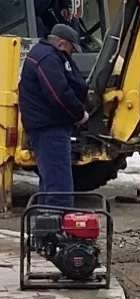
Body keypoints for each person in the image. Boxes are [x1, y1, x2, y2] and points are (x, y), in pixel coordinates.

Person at [19, 24, 89, 208]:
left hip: (45, 126)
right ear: (61, 43)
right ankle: (56, 229)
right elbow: (59, 93)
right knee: (59, 186)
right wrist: (79, 114)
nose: (71, 54)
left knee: (50, 183)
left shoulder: (43, 54)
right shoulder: (48, 59)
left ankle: (46, 226)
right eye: (71, 49)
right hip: (50, 128)